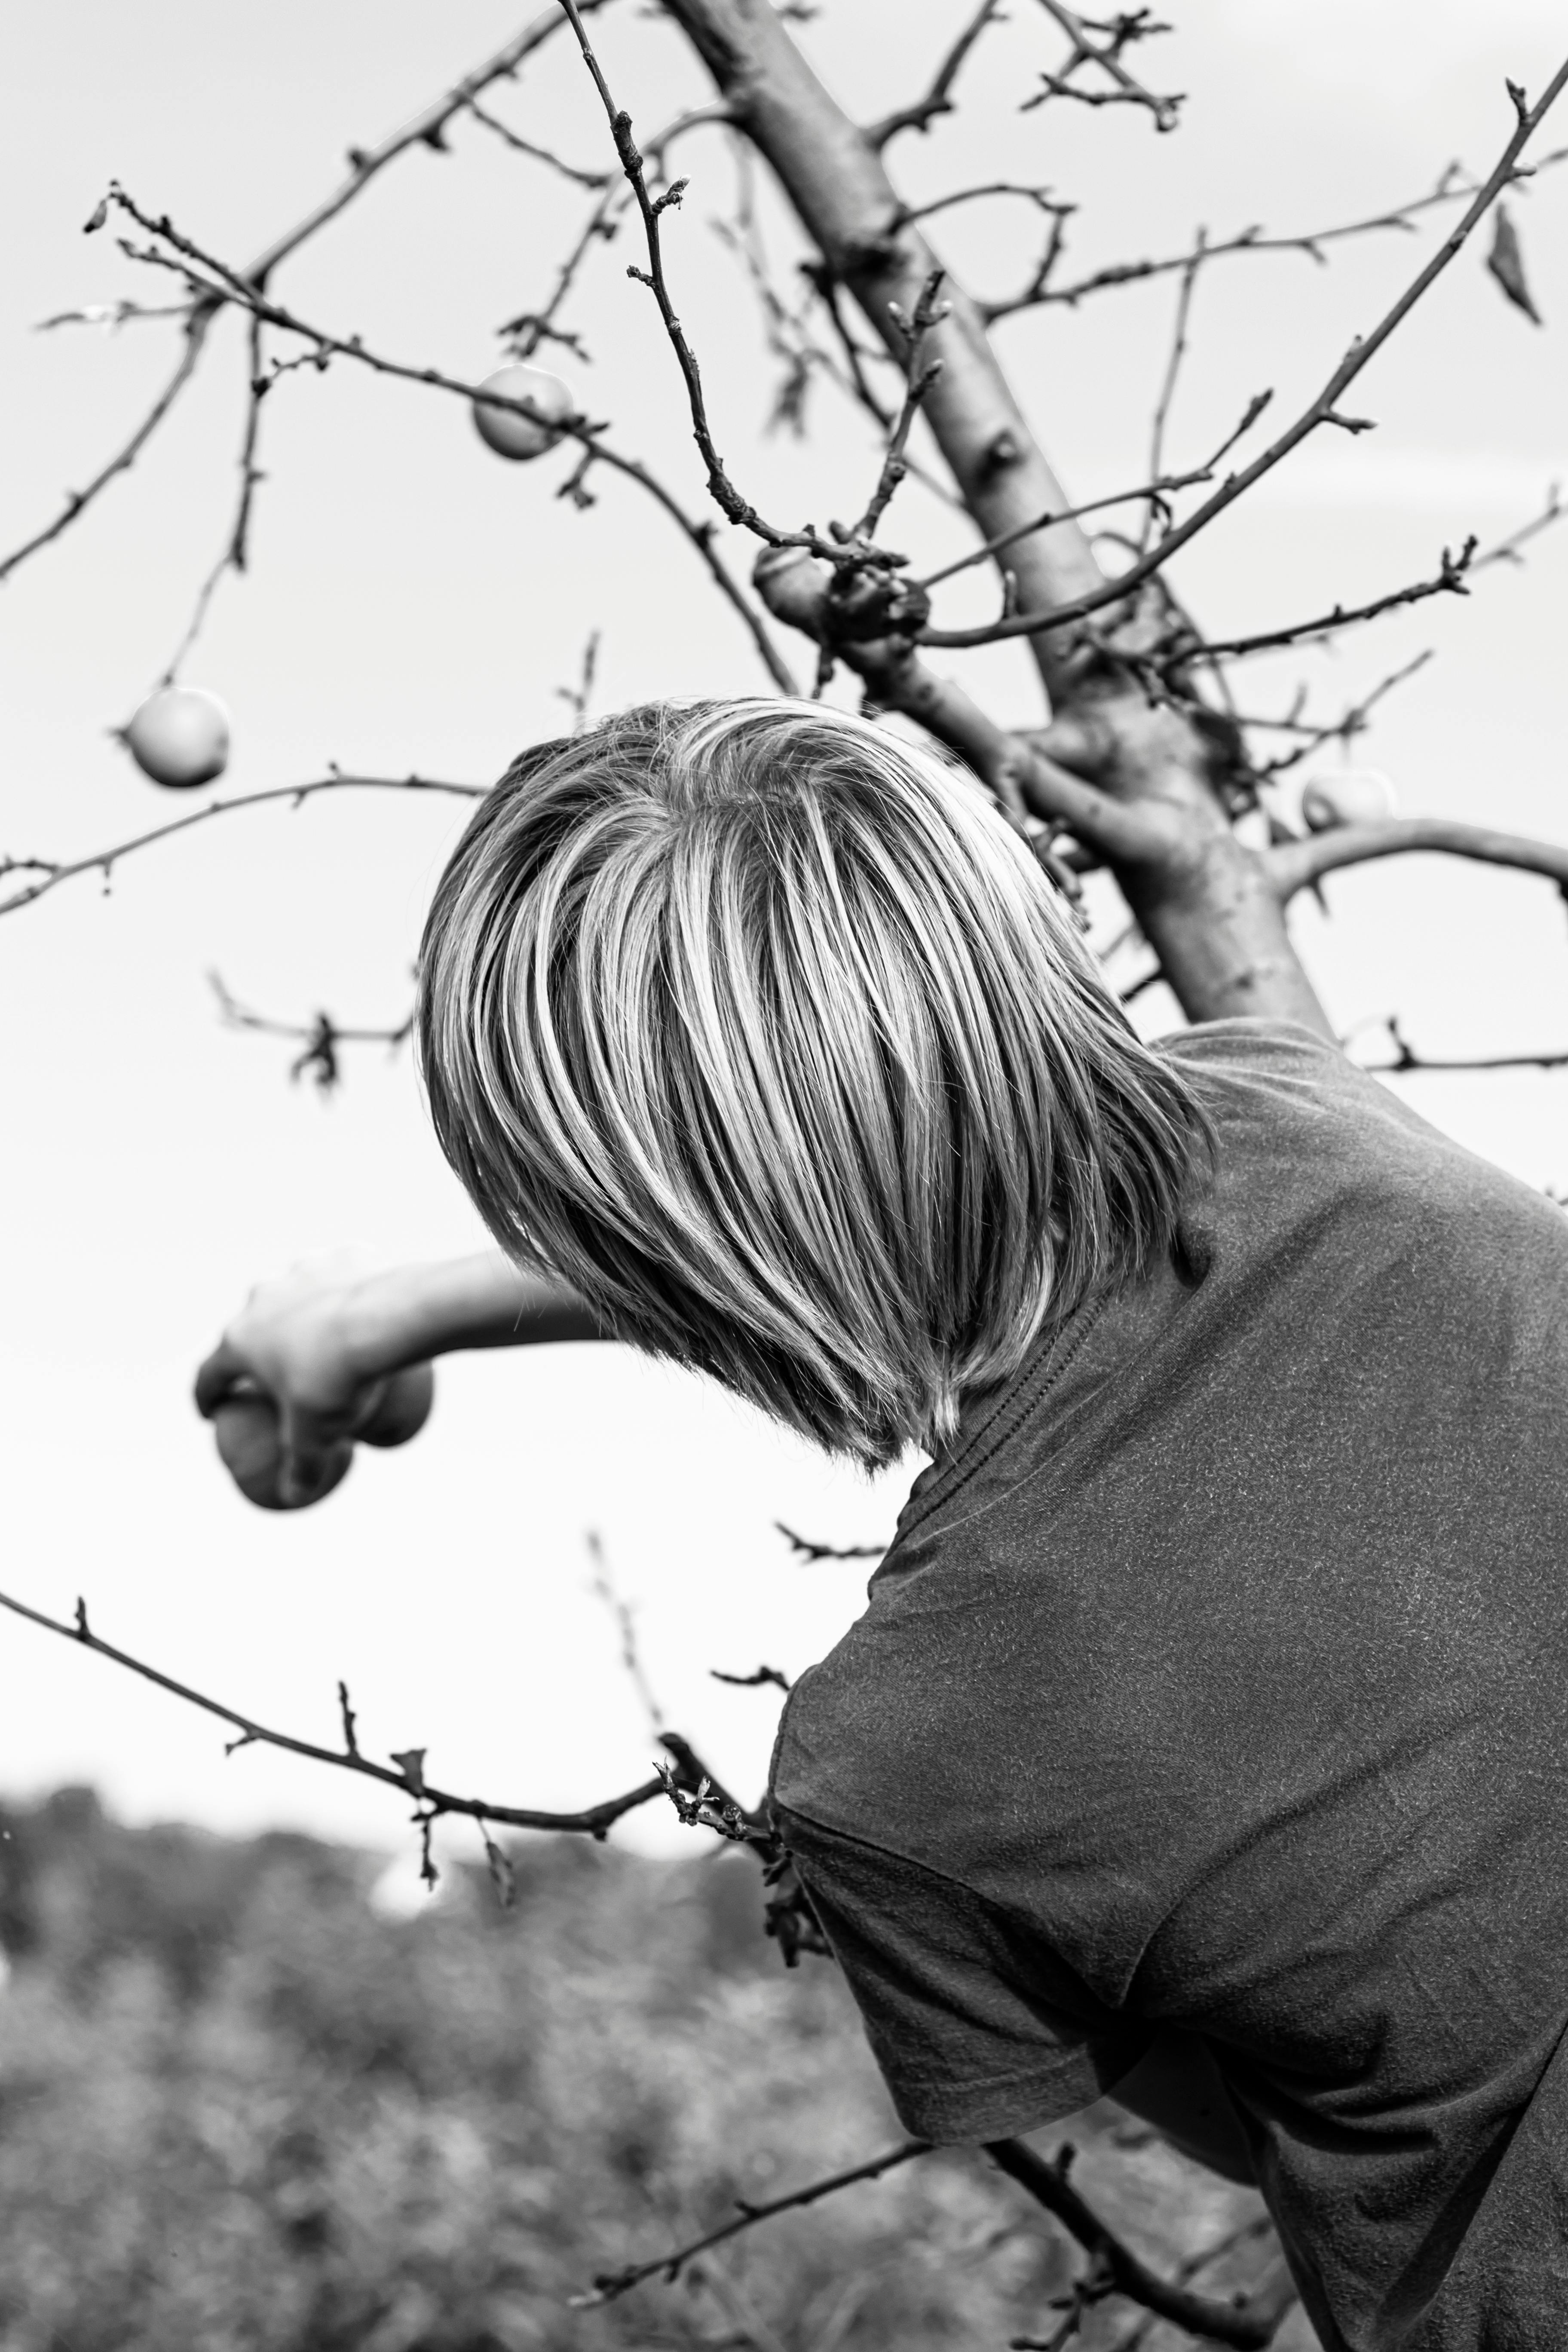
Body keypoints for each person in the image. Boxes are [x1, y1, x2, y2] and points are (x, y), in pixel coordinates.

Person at [196, 698, 1568, 2351]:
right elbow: (964, 1182)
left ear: (640, 1249)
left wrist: (389, 1312)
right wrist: (384, 1315)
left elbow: (1277, 2138)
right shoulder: (1310, 1113)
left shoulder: (905, 1776)